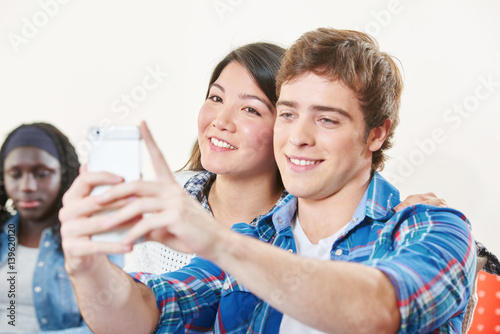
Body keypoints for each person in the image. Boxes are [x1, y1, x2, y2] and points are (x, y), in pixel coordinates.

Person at [59, 28, 476, 333]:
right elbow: (143, 313)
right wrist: (86, 265)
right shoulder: (255, 240)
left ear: (376, 133)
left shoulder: (433, 227)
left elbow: (381, 309)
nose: (299, 137)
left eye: (327, 119)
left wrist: (219, 242)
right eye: (290, 114)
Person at [0, 123, 122, 333]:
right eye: (15, 174)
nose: (26, 186)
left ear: (64, 174)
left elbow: (110, 323)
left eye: (41, 173)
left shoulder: (91, 238)